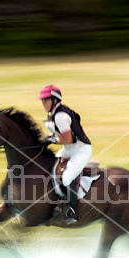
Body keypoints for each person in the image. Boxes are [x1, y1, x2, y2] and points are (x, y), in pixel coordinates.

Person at [39, 85, 92, 224]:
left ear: (55, 100)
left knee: (67, 178)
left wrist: (51, 140)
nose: (44, 103)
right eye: (42, 100)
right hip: (69, 149)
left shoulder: (60, 116)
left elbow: (67, 139)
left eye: (46, 100)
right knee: (50, 167)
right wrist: (46, 138)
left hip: (81, 150)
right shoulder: (52, 114)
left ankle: (73, 211)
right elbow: (56, 134)